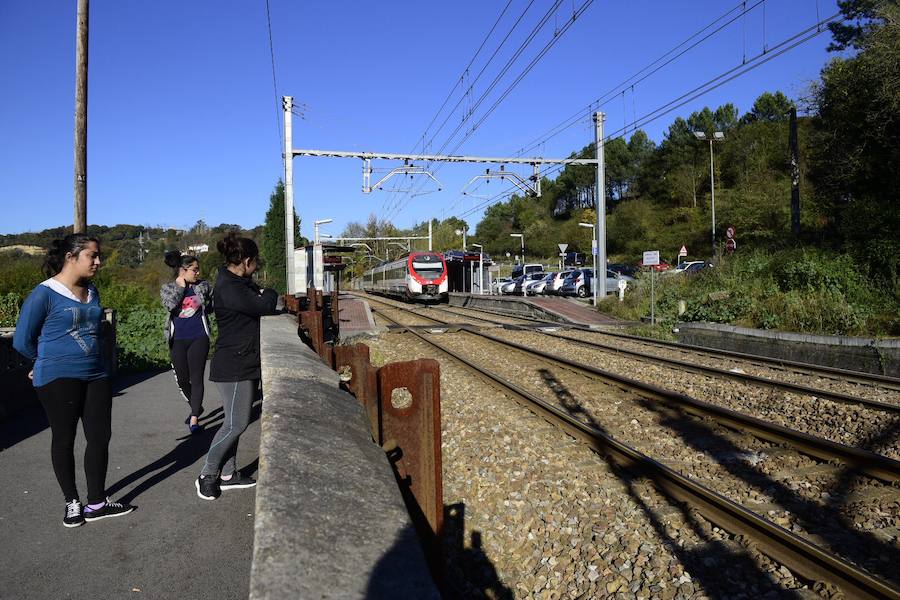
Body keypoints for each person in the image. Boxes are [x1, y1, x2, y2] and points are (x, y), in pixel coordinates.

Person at [13, 233, 135, 527]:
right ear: (71, 257)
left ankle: (97, 502)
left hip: (96, 374)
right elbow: (21, 340)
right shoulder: (44, 293)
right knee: (64, 438)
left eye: (98, 255)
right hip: (58, 378)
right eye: (92, 255)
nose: (98, 261)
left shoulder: (93, 291)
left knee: (99, 437)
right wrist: (41, 361)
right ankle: (72, 502)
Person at [196, 232, 278, 500]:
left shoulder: (234, 282)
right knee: (236, 424)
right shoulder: (231, 288)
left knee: (235, 422)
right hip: (234, 365)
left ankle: (228, 474)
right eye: (255, 262)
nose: (257, 267)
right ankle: (208, 473)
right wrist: (272, 292)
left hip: (241, 360)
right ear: (246, 261)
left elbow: (257, 301)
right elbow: (265, 305)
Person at [160, 251, 212, 434]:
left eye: (198, 269)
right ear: (183, 270)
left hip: (199, 337)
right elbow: (170, 305)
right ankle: (196, 406)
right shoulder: (167, 288)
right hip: (178, 339)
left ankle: (194, 417)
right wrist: (181, 288)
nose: (198, 272)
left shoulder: (203, 286)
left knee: (196, 377)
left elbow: (210, 304)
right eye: (194, 269)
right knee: (182, 379)